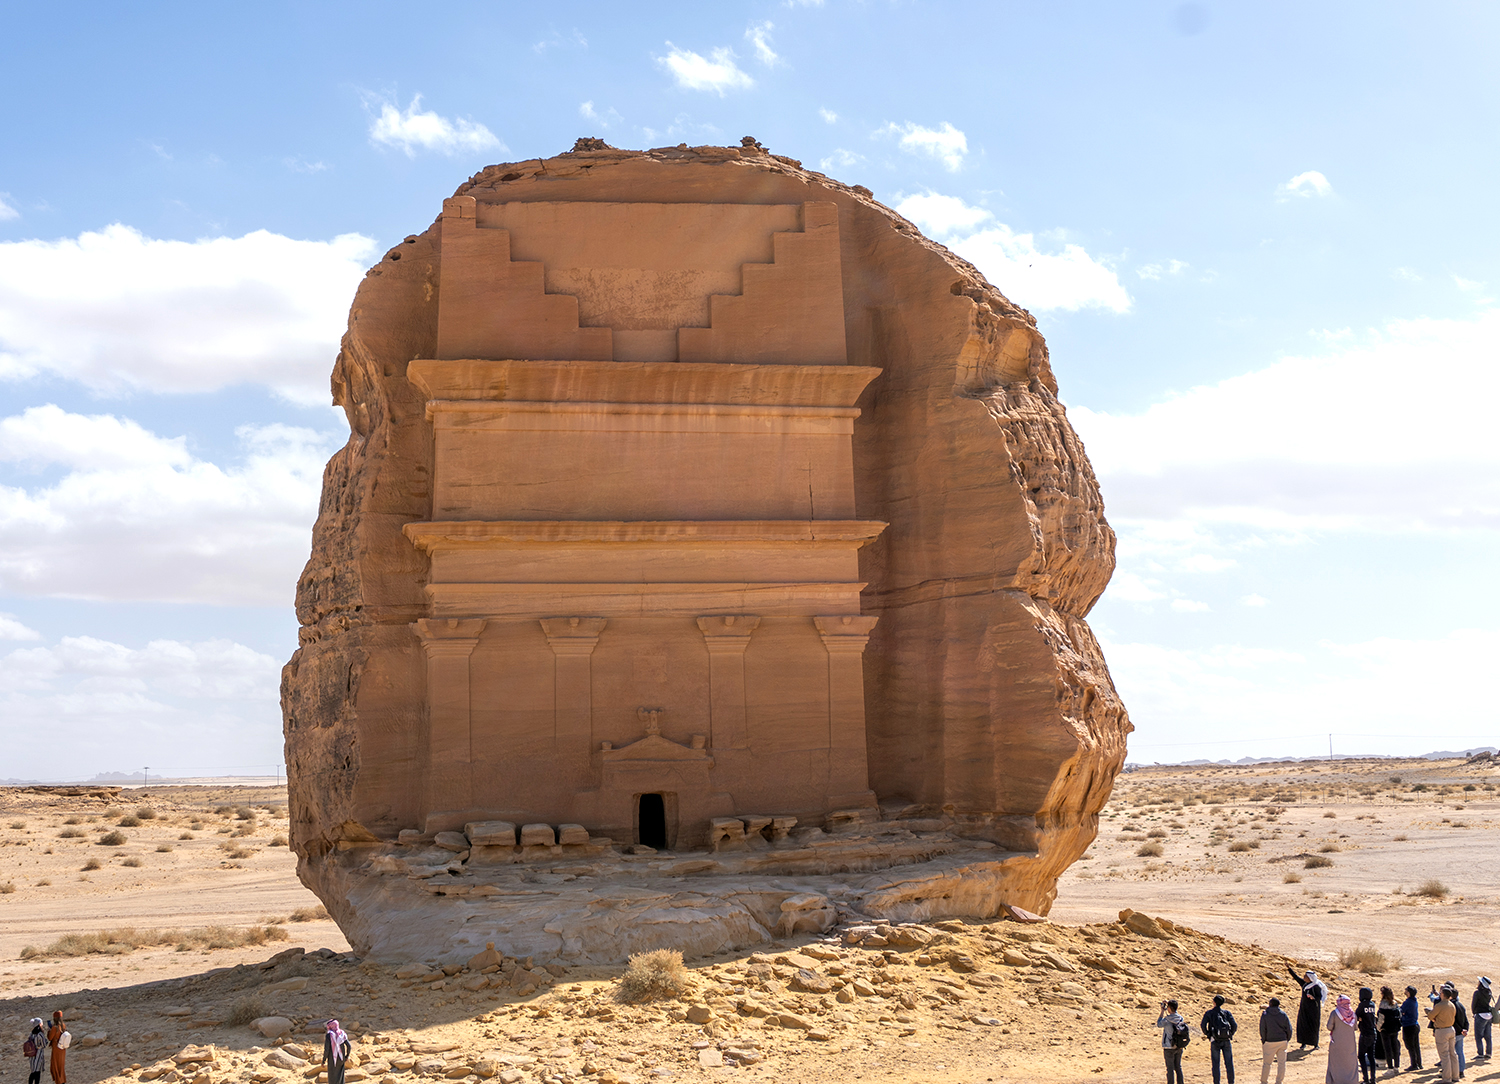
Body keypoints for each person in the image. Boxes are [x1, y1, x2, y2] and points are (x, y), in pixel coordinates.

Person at [1202, 994, 1238, 1084]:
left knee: (1215, 1064)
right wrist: (1230, 1034)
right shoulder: (1227, 1013)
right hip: (1226, 1040)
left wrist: (1208, 1034)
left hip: (1215, 1040)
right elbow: (1234, 1025)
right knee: (1229, 1063)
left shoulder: (1209, 1013)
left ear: (1214, 1002)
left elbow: (1203, 1025)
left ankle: (1216, 1082)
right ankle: (1231, 1082)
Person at [1427, 983, 1459, 1083]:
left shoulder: (1440, 1005)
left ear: (1442, 994)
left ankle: (1446, 1078)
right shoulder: (1452, 1005)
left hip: (1442, 1031)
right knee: (1452, 1054)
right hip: (1451, 1029)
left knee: (1445, 1056)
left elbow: (1430, 1016)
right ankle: (1455, 1076)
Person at [1289, 967, 1328, 1049]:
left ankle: (1315, 1043)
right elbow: (1296, 977)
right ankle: (1303, 1043)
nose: (1304, 977)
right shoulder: (1305, 985)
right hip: (1304, 1008)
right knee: (1303, 1025)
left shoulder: (1315, 986)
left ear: (1310, 978)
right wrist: (1289, 969)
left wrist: (1313, 997)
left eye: (1305, 976)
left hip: (1313, 1009)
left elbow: (1319, 997)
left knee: (1313, 1025)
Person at [1260, 997, 1294, 1084]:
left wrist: (1264, 1040)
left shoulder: (1265, 1014)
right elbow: (1289, 1029)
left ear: (1270, 1004)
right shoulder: (1283, 1014)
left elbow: (1262, 1029)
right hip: (1282, 1041)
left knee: (1267, 1064)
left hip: (1269, 1041)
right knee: (1282, 1063)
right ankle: (1279, 1081)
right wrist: (1287, 1039)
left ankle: (1264, 1081)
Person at [1327, 993, 1359, 1084]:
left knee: (1336, 1062)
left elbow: (1329, 1027)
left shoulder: (1335, 1013)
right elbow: (1355, 1028)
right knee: (1350, 1063)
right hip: (1350, 1044)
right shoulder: (1353, 1014)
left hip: (1337, 1043)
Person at [1159, 998, 1189, 1084]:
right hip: (1179, 1045)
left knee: (1170, 1069)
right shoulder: (1180, 1018)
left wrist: (1162, 1011)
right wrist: (1168, 1005)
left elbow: (1159, 1024)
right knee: (1178, 1067)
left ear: (1169, 1008)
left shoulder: (1166, 1020)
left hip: (1169, 1046)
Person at [1355, 987, 1379, 1084]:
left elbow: (1356, 1016)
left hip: (1364, 1033)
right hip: (1373, 1032)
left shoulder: (1362, 1005)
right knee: (1371, 1056)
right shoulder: (1372, 1004)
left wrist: (1359, 1019)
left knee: (1361, 1056)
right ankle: (1373, 1079)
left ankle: (1366, 1079)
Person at [1378, 986, 1403, 1070]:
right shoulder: (1395, 1003)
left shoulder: (1382, 1004)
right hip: (1395, 1028)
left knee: (1387, 1049)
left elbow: (1381, 1018)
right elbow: (1399, 1015)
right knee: (1395, 1047)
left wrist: (1378, 1028)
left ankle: (1390, 1067)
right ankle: (1397, 1066)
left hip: (1385, 1029)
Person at [1402, 986, 1425, 1071]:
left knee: (1410, 1045)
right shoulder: (1414, 1000)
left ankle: (1414, 1064)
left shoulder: (1407, 1002)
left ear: (1408, 992)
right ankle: (1419, 1063)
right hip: (1415, 1025)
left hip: (1408, 1026)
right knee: (1416, 1046)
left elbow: (1401, 1011)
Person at [323, 1020, 351, 1084]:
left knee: (332, 1077)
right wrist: (347, 1056)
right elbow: (349, 1046)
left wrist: (324, 1060)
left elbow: (326, 1049)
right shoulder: (342, 1033)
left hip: (332, 1059)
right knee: (340, 1076)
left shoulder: (329, 1035)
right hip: (341, 1058)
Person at [1473, 977, 1493, 1059]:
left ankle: (1480, 1054)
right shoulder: (1489, 992)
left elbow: (1474, 1004)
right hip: (1489, 1015)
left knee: (1478, 1036)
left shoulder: (1477, 993)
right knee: (1488, 1036)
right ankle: (1488, 1053)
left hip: (1480, 1015)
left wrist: (1474, 1013)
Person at [23, 1019, 48, 1084]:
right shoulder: (40, 1034)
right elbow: (43, 1045)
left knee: (33, 1072)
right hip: (38, 1054)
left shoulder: (31, 1033)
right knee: (37, 1073)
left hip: (32, 1055)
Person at [44, 1013, 66, 1084]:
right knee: (61, 1066)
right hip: (62, 1048)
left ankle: (59, 1081)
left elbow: (50, 1038)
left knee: (56, 1066)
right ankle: (62, 1080)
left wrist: (49, 1030)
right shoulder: (63, 1025)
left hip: (56, 1049)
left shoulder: (54, 1028)